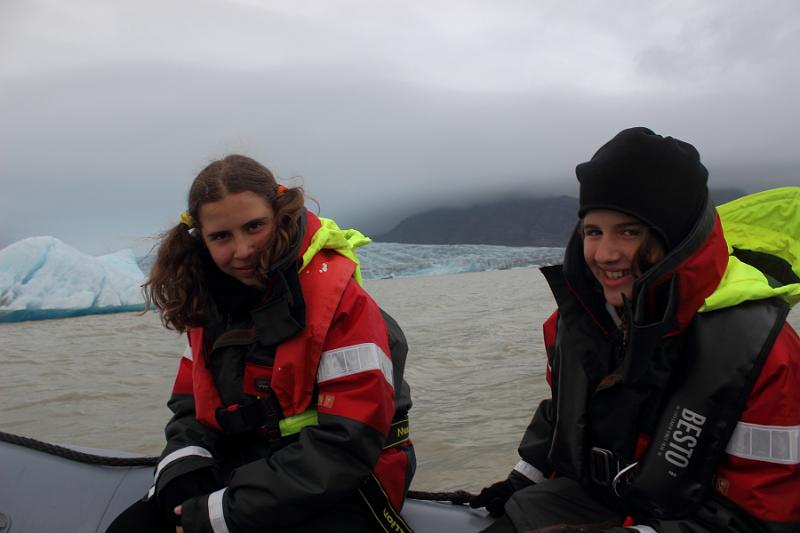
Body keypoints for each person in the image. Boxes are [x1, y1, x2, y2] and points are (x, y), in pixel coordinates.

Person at [470, 127, 800, 532]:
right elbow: (561, 418)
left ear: (678, 238)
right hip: (591, 505)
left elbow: (764, 518)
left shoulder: (764, 353)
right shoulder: (572, 326)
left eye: (629, 231)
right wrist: (520, 482)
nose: (605, 254)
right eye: (593, 231)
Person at [107, 155, 415, 533]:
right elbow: (191, 409)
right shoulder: (208, 306)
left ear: (280, 214)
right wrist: (184, 475)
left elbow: (347, 443)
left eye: (254, 227)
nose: (243, 250)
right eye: (221, 236)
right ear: (199, 239)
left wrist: (222, 513)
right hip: (251, 467)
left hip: (343, 480)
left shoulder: (342, 306)